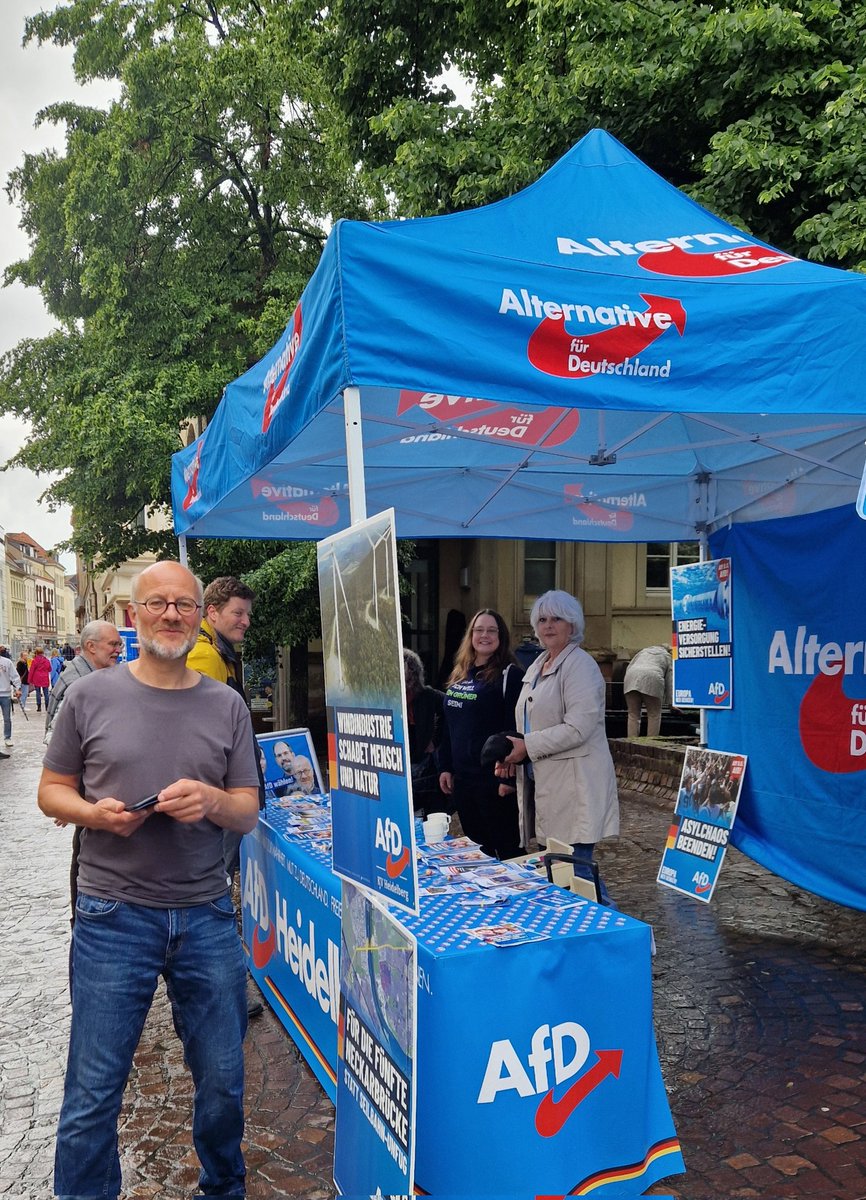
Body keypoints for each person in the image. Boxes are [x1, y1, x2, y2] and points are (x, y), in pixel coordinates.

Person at [38, 559, 260, 1200]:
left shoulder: (227, 705)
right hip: (113, 914)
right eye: (157, 603)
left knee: (222, 1080)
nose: (171, 614)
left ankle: (223, 1188)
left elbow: (247, 809)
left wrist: (212, 803)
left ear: (200, 616)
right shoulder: (89, 696)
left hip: (207, 912)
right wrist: (93, 815)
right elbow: (52, 792)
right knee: (93, 1090)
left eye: (184, 604)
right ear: (135, 615)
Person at [499, 590, 619, 902]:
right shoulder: (538, 666)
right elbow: (531, 724)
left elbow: (579, 727)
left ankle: (618, 939)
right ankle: (582, 938)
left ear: (572, 624)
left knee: (576, 871)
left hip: (575, 785)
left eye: (557, 619)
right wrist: (514, 753)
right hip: (547, 785)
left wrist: (527, 746)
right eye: (542, 619)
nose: (548, 625)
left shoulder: (580, 665)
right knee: (558, 871)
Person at [185, 574, 264, 1019]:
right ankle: (222, 989)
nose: (245, 621)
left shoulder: (220, 653)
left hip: (219, 793)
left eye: (247, 613)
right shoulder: (206, 657)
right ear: (211, 613)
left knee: (215, 886)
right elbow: (206, 735)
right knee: (213, 890)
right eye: (237, 612)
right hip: (216, 798)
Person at [438, 609, 524, 860]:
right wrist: (445, 766)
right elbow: (448, 726)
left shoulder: (510, 674)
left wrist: (508, 780)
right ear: (471, 635)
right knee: (479, 852)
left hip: (493, 780)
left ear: (501, 636)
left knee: (508, 850)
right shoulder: (460, 672)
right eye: (479, 630)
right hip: (463, 781)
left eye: (491, 630)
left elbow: (515, 727)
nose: (484, 635)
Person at [45, 621, 123, 739]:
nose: (119, 650)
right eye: (113, 644)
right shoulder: (78, 684)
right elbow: (55, 740)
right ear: (91, 646)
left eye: (120, 645)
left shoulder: (86, 673)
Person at [403, 649, 447, 815]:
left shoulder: (427, 695)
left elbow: (449, 711)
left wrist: (434, 741)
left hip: (422, 759)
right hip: (401, 758)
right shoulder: (389, 696)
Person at [623, 644, 673, 738]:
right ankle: (651, 743)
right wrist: (671, 703)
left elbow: (629, 666)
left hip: (631, 677)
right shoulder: (667, 656)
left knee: (633, 714)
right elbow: (670, 680)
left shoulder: (642, 652)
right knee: (654, 714)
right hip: (653, 678)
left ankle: (632, 742)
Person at [0, 652, 19, 749]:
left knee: (7, 718)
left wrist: (18, 688)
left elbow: (15, 676)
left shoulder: (7, 662)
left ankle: (7, 737)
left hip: (5, 693)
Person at [29, 647, 52, 713]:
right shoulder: (47, 660)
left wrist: (29, 680)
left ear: (36, 653)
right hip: (45, 678)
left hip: (37, 678)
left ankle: (39, 707)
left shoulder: (34, 661)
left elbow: (31, 671)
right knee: (46, 693)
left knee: (38, 693)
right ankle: (47, 706)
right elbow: (50, 669)